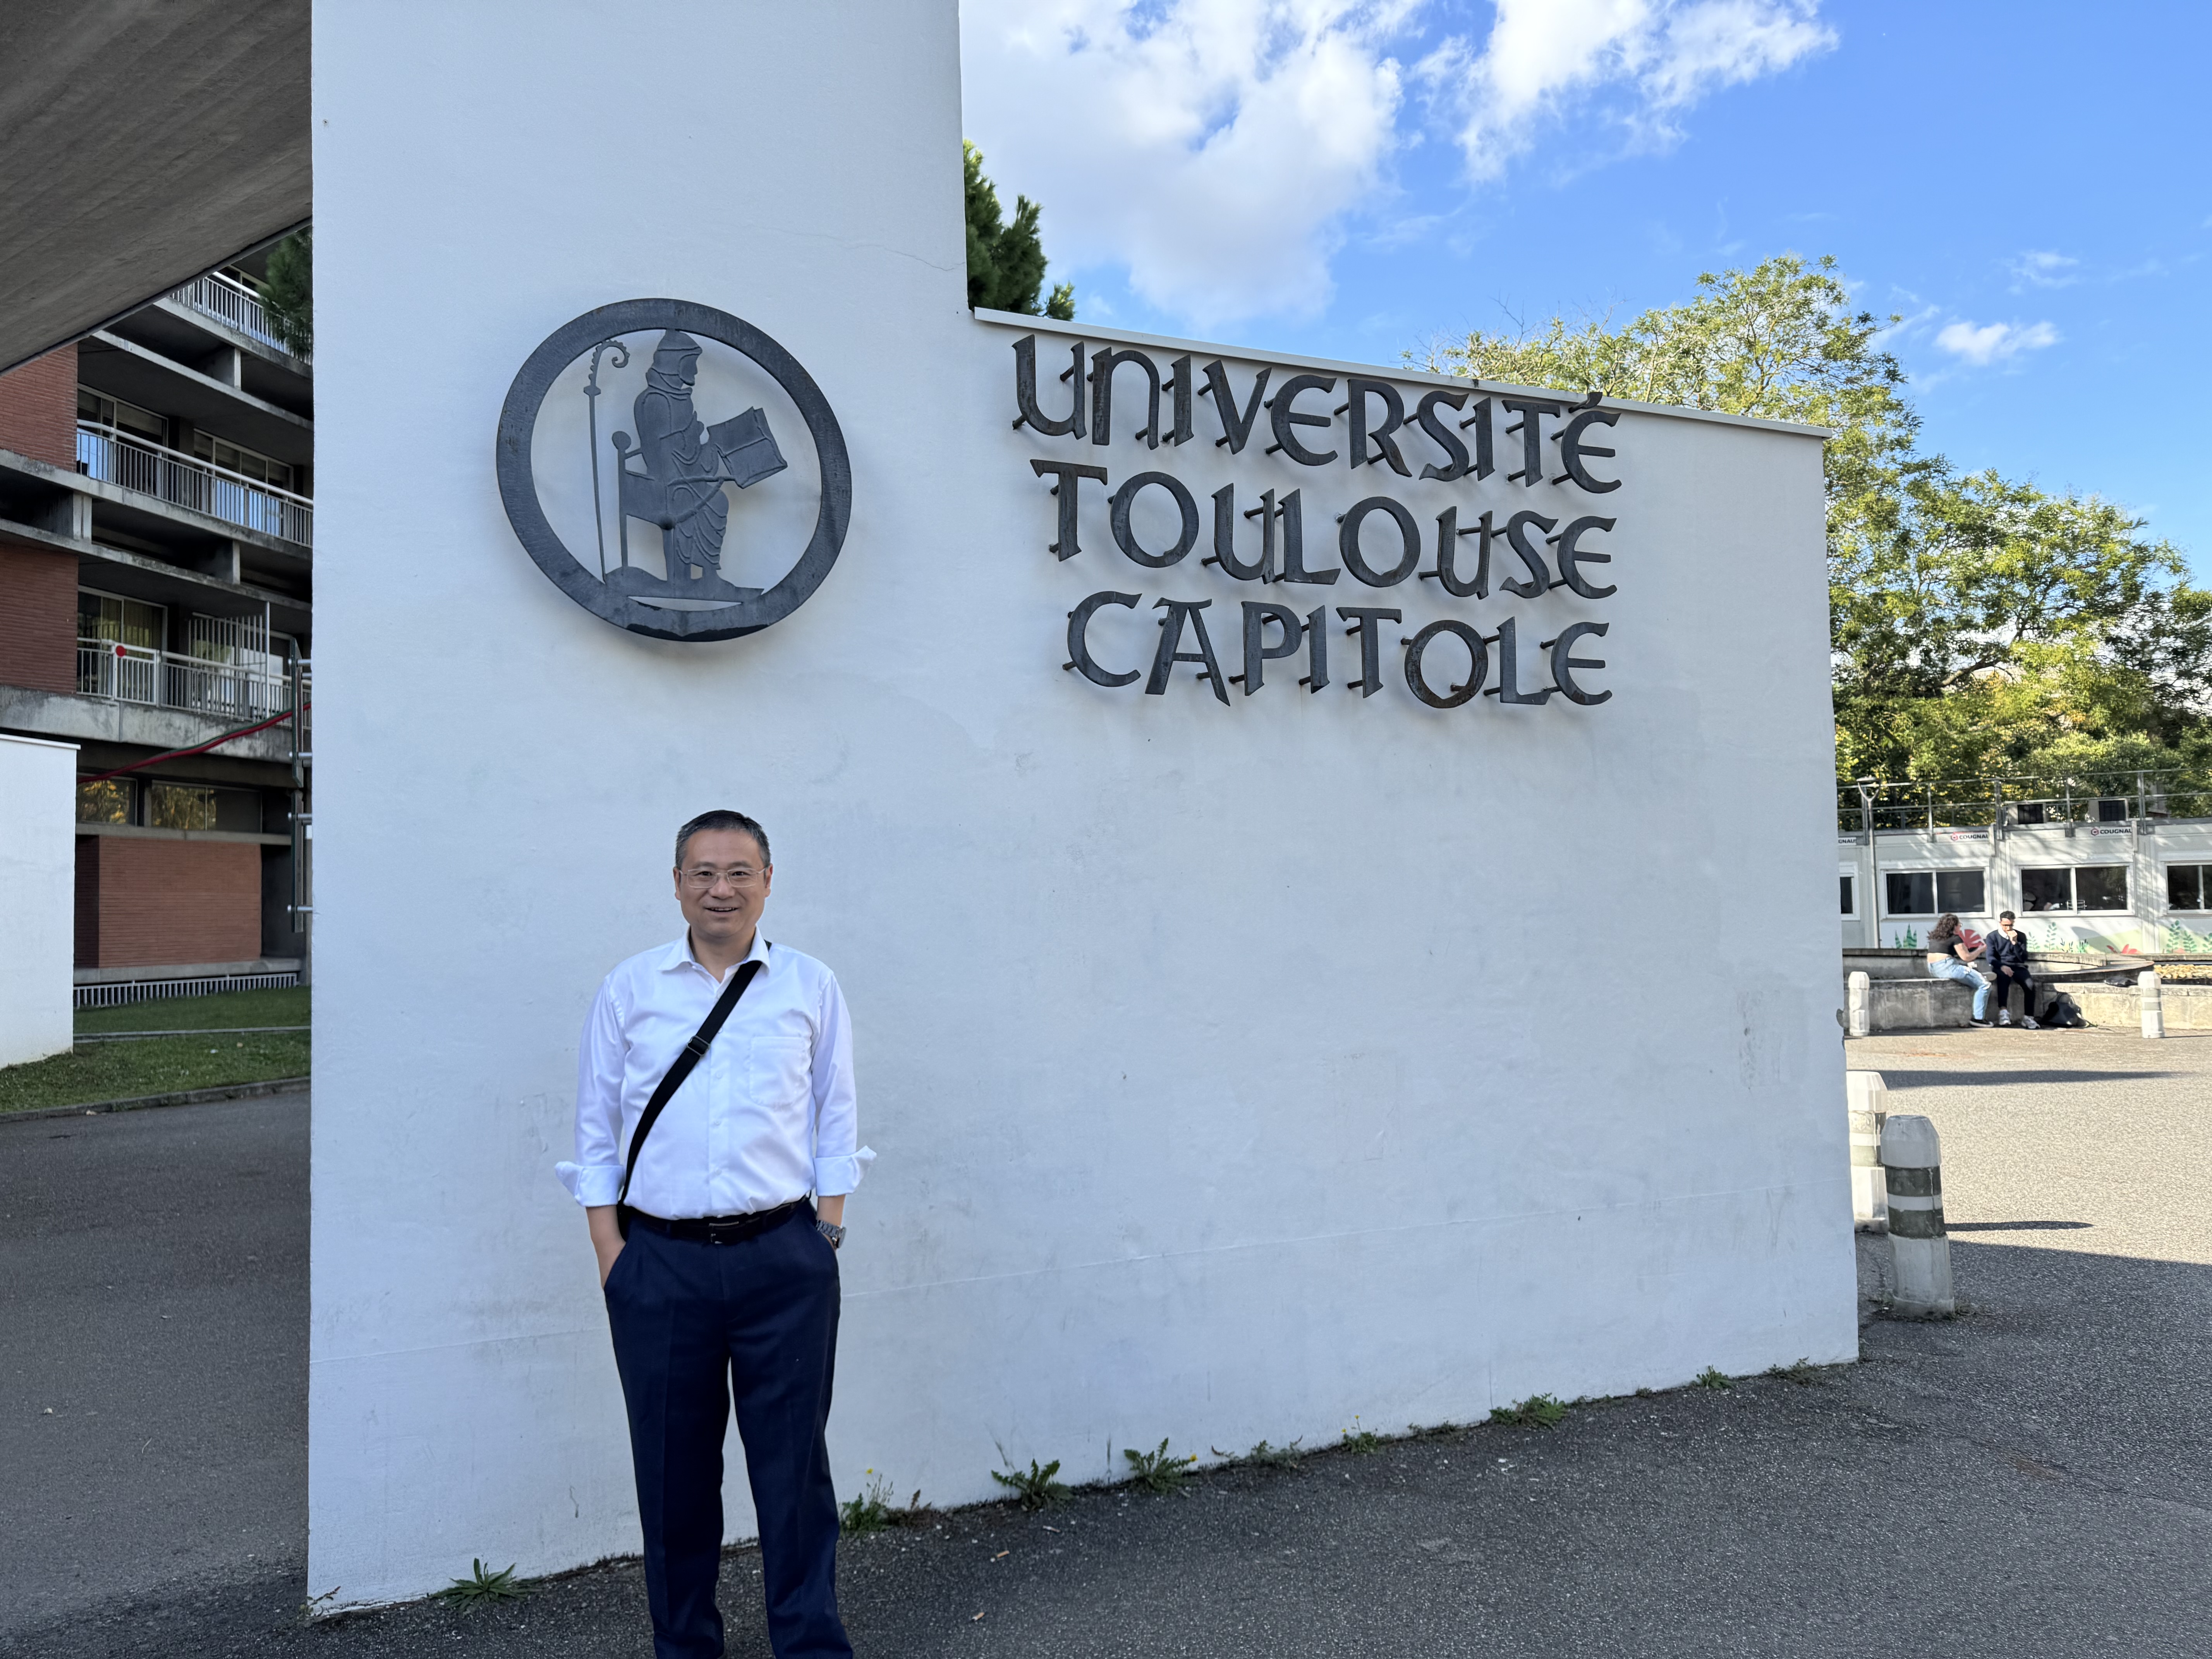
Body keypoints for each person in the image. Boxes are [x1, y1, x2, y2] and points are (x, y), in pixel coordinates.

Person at [557, 808, 872, 1659]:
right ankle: (686, 1647)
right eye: (703, 872)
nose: (720, 888)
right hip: (659, 1265)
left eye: (739, 872)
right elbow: (594, 1132)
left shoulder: (809, 985)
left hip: (785, 1261)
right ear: (676, 884)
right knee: (674, 1481)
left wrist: (825, 1235)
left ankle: (810, 1645)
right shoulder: (631, 989)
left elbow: (836, 1118)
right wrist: (613, 1256)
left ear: (767, 882)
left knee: (794, 1476)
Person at [1924, 912, 1992, 1027]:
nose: (1960, 927)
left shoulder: (1934, 938)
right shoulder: (1956, 938)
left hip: (1934, 969)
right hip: (1949, 968)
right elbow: (1967, 957)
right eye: (1959, 925)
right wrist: (1981, 950)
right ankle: (1978, 1019)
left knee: (1966, 968)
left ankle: (1977, 975)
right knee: (1985, 985)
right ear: (1954, 926)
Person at [1985, 909, 2041, 1030]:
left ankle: (2028, 1017)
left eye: (2011, 925)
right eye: (2005, 925)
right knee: (2003, 978)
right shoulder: (1992, 937)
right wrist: (2002, 966)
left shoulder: (2020, 936)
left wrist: (2015, 943)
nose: (2008, 928)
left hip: (2018, 966)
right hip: (2001, 966)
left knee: (2030, 985)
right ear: (2000, 923)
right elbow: (1990, 957)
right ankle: (2003, 1012)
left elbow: (2023, 958)